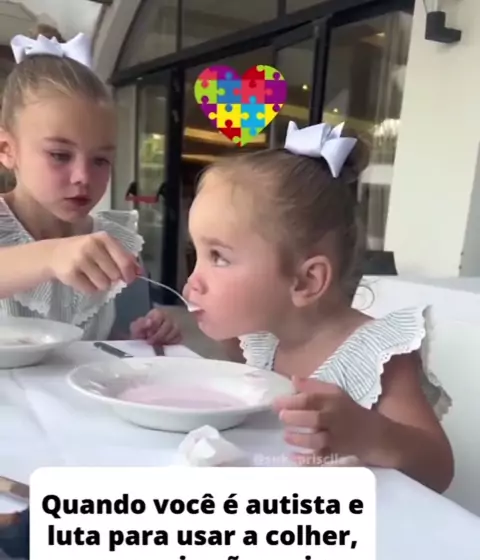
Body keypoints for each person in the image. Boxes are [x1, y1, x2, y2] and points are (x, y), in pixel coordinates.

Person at [184, 120, 454, 493]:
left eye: (218, 257)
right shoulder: (265, 337)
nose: (193, 280)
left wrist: (373, 435)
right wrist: (174, 330)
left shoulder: (376, 354)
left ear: (306, 281)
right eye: (197, 253)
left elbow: (439, 469)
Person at [0, 31, 181, 347]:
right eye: (60, 155)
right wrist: (51, 255)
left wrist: (137, 337)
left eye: (100, 160)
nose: (83, 176)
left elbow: (94, 347)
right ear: (6, 149)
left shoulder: (112, 240)